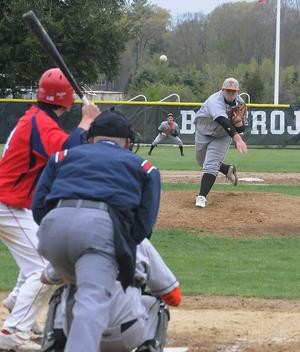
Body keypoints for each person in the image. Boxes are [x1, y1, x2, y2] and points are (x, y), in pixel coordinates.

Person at [31, 109, 161, 352]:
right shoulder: (145, 167)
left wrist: (56, 230)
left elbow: (38, 207)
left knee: (76, 287)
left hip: (51, 232)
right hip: (99, 232)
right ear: (127, 142)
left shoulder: (62, 156)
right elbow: (144, 224)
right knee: (92, 303)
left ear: (90, 138)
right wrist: (121, 245)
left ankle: (58, 335)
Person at [0, 67, 100, 351]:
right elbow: (66, 153)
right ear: (66, 99)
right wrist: (87, 120)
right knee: (47, 268)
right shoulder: (40, 123)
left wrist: (86, 123)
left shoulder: (36, 118)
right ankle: (12, 333)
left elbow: (62, 146)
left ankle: (19, 305)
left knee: (40, 254)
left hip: (13, 203)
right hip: (8, 204)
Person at [39, 238, 182, 352]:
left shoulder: (76, 239)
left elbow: (46, 278)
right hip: (126, 336)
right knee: (159, 303)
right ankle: (149, 348)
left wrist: (72, 275)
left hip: (79, 333)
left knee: (61, 294)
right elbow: (174, 297)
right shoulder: (139, 241)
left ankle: (54, 345)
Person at [194, 77, 248, 208]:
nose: (231, 93)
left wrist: (239, 124)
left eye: (233, 91)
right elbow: (222, 120)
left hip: (222, 136)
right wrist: (238, 138)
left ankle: (201, 197)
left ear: (237, 92)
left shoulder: (240, 104)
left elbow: (241, 127)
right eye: (228, 90)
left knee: (210, 165)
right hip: (203, 131)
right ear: (222, 90)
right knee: (202, 161)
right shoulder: (214, 101)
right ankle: (226, 168)